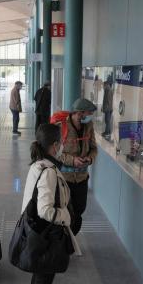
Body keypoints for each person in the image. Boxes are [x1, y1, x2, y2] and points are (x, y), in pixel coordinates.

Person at [21, 123, 72, 284]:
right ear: (53, 146)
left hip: (36, 234)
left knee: (40, 278)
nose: (62, 145)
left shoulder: (38, 165)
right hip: (45, 236)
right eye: (60, 142)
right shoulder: (48, 172)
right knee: (42, 280)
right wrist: (64, 216)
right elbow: (44, 210)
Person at [57, 98, 98, 236]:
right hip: (64, 179)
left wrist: (90, 158)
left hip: (81, 178)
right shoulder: (61, 126)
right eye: (87, 114)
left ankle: (70, 239)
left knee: (79, 210)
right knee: (64, 210)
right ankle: (62, 241)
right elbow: (55, 153)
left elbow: (93, 148)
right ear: (79, 113)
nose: (88, 117)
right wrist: (72, 160)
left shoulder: (89, 126)